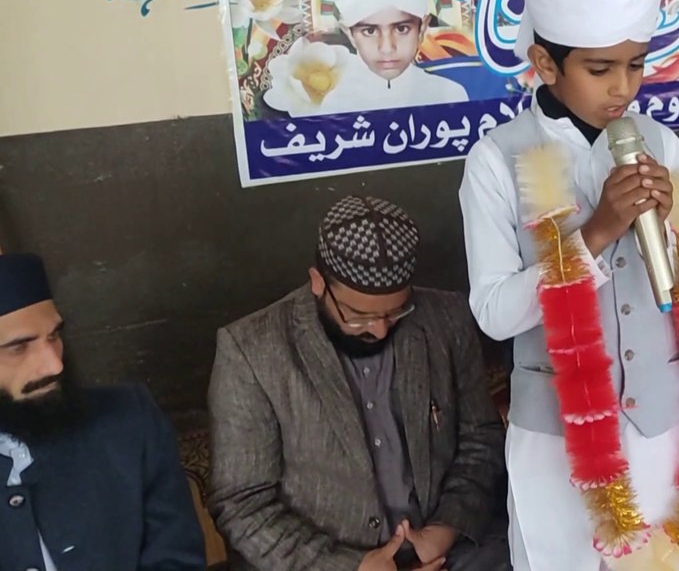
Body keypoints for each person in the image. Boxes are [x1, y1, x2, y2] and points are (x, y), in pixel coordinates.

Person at [459, 0, 679, 570]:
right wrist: (594, 234)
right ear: (545, 62)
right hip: (557, 443)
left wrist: (672, 232)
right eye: (600, 69)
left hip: (661, 427)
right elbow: (494, 314)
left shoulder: (660, 144)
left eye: (636, 64)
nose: (624, 87)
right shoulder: (496, 159)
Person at [208, 196, 508, 571]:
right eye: (358, 316)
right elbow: (242, 504)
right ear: (318, 283)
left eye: (395, 312)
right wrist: (350, 567)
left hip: (445, 553)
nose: (379, 329)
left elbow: (481, 440)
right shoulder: (253, 350)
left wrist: (445, 530)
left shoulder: (447, 320)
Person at [0, 252, 205, 570]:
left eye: (54, 336)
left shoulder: (129, 421)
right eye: (18, 347)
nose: (54, 365)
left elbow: (177, 558)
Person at [321, 0, 468, 113]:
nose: (387, 48)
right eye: (370, 31)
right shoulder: (336, 105)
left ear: (422, 28)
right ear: (350, 34)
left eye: (401, 29)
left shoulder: (450, 96)